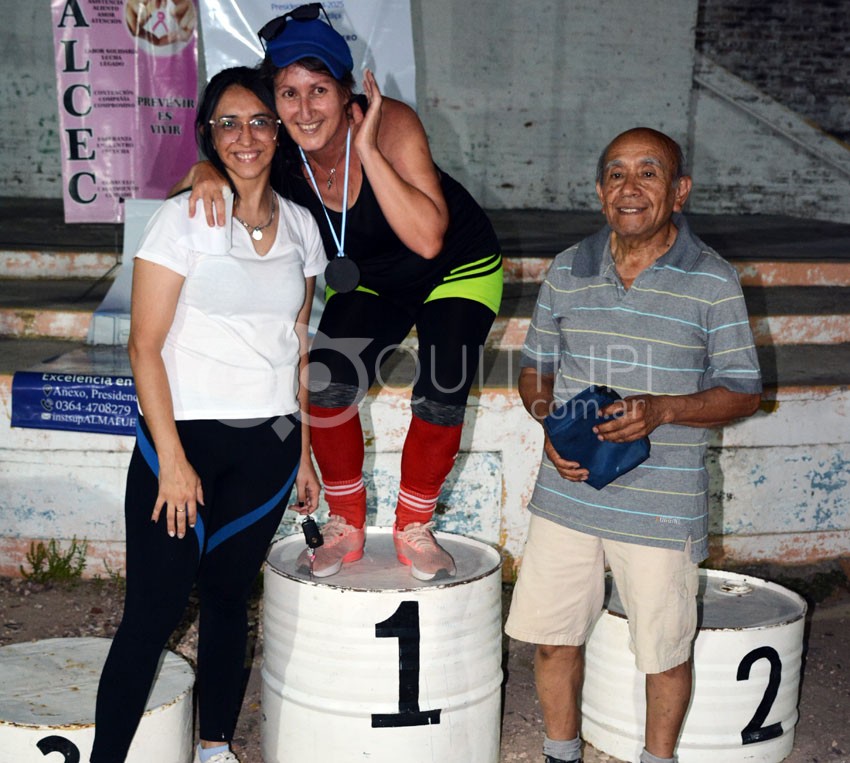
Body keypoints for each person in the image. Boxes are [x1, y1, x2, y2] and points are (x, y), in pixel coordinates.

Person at [182, 4, 502, 581]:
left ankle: (414, 524)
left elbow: (429, 240)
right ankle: (345, 523)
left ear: (347, 90)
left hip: (457, 266)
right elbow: (210, 171)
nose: (305, 109)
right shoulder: (277, 152)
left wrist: (371, 147)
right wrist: (204, 171)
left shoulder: (392, 123)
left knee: (442, 386)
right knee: (326, 384)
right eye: (288, 93)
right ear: (273, 103)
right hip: (377, 280)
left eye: (319, 89)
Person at [90, 66, 325, 763]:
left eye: (259, 120)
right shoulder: (182, 216)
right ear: (209, 135)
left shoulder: (303, 228)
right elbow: (144, 345)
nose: (245, 135)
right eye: (228, 122)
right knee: (153, 614)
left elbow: (299, 343)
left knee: (228, 600)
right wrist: (172, 461)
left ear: (279, 133)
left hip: (270, 450)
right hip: (182, 442)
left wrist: (306, 452)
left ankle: (217, 746)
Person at [504, 127, 762, 763]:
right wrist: (549, 422)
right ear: (599, 192)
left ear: (679, 192)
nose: (630, 186)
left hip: (660, 507)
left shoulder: (712, 280)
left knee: (664, 654)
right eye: (616, 173)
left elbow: (745, 392)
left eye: (649, 173)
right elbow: (534, 369)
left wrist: (663, 411)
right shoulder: (567, 269)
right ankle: (559, 755)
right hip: (567, 496)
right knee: (553, 641)